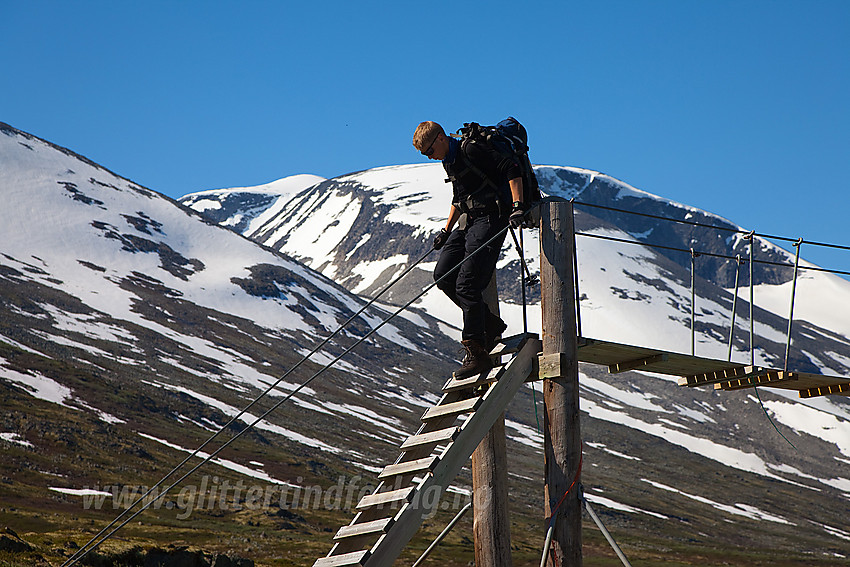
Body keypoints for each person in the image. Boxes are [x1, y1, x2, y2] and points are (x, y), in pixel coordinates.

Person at [413, 121, 527, 379]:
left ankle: (477, 352)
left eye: (430, 151)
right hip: (470, 219)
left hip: (491, 216)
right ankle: (489, 324)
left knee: (467, 284)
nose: (430, 157)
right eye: (425, 155)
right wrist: (446, 230)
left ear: (441, 138)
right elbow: (458, 197)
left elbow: (511, 168)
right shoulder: (449, 160)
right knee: (443, 275)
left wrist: (518, 205)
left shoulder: (470, 150)